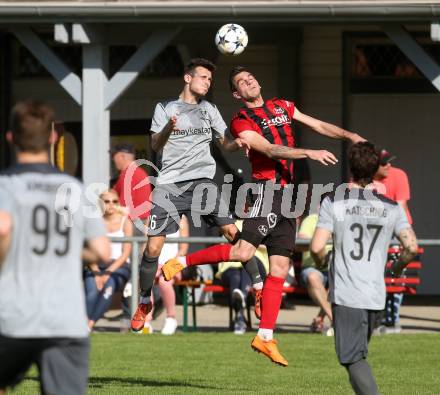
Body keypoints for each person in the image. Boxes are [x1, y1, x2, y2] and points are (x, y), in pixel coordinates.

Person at [162, 65, 365, 366]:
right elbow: (270, 149)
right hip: (266, 192)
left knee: (280, 268)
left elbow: (318, 125)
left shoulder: (282, 105)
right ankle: (180, 262)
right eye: (241, 82)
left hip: (290, 197)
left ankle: (265, 337)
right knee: (243, 249)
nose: (249, 81)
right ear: (237, 94)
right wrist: (308, 153)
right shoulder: (241, 120)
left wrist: (351, 136)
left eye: (251, 77)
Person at [130, 58, 263, 332]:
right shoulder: (165, 108)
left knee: (231, 232)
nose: (207, 82)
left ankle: (258, 287)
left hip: (203, 182)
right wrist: (169, 126)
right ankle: (144, 300)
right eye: (203, 77)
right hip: (170, 185)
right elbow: (154, 143)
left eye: (210, 79)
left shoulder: (209, 110)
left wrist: (237, 143)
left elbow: (224, 142)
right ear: (188, 78)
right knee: (153, 248)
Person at [0, 100, 110, 394]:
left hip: (14, 316)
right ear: (52, 138)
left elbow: (2, 229)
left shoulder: (5, 185)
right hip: (65, 321)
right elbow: (103, 252)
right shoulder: (75, 188)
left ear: (10, 138)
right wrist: (73, 249)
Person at [310, 142, 418, 395]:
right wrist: (397, 267)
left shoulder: (333, 203)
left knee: (352, 359)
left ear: (351, 168)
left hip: (348, 296)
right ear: (375, 170)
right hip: (376, 297)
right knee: (357, 356)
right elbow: (411, 247)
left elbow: (316, 247)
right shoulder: (391, 207)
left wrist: (323, 263)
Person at [374, 149, 413, 332]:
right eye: (384, 163)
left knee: (396, 276)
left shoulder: (399, 175)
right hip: (374, 232)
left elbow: (401, 207)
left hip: (397, 230)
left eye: (390, 161)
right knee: (376, 274)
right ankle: (377, 316)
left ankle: (393, 319)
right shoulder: (363, 178)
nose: (389, 165)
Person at [84, 189, 133, 331]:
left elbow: (125, 254)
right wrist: (96, 272)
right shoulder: (93, 222)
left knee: (108, 286)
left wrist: (106, 274)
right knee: (92, 290)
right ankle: (85, 323)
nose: (111, 204)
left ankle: (89, 324)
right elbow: (89, 252)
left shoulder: (125, 222)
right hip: (96, 265)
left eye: (115, 201)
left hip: (119, 266)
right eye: (106, 201)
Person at [143, 215, 189, 335]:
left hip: (174, 264)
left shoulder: (182, 219)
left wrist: (168, 266)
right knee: (145, 280)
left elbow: (183, 249)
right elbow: (146, 245)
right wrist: (150, 264)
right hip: (155, 263)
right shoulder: (152, 217)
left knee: (164, 281)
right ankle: (146, 320)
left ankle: (171, 318)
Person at [297, 211, 333, 334]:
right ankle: (335, 320)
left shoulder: (342, 218)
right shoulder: (312, 219)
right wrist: (320, 238)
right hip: (312, 268)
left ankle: (319, 319)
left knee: (340, 278)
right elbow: (300, 240)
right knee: (313, 277)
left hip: (334, 268)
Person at [111, 142, 152, 234]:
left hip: (134, 223)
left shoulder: (129, 174)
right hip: (140, 222)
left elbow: (124, 206)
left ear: (122, 156)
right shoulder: (137, 172)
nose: (112, 159)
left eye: (114, 155)